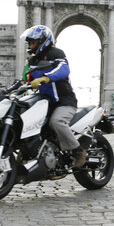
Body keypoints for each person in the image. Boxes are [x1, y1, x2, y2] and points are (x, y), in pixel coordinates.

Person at [23, 25, 87, 168]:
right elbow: (24, 79)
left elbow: (64, 69)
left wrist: (46, 78)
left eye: (33, 42)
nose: (30, 45)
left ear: (42, 41)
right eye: (30, 42)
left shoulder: (56, 53)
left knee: (56, 122)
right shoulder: (32, 61)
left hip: (64, 101)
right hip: (45, 103)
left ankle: (78, 151)